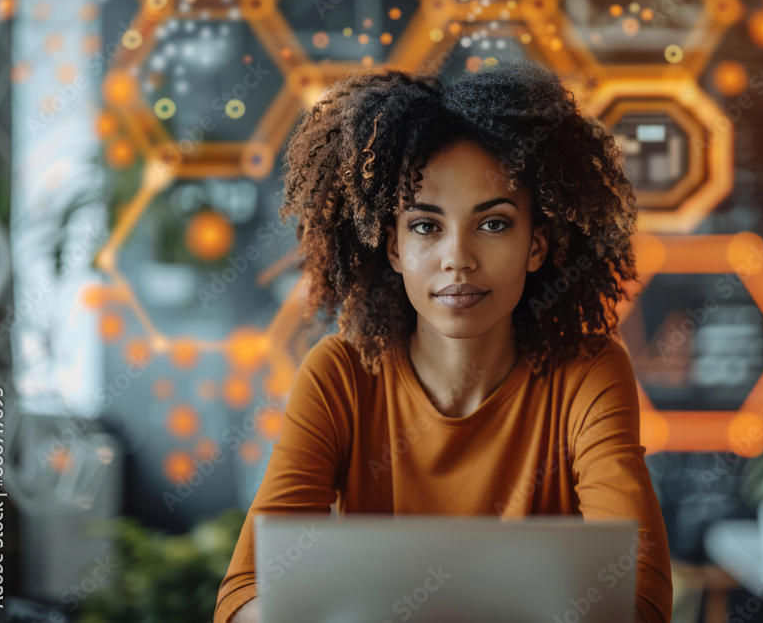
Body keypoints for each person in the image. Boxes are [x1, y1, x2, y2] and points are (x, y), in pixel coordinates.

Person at [214, 60, 673, 623]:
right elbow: (244, 595)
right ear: (394, 249)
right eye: (427, 226)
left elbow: (640, 595)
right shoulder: (340, 376)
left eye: (495, 223)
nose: (458, 257)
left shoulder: (588, 374)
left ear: (537, 245)